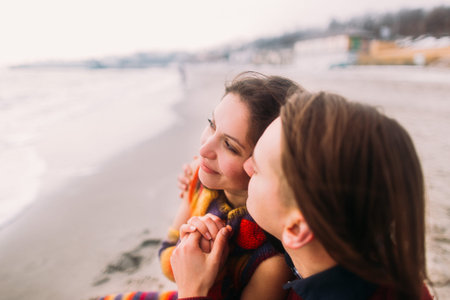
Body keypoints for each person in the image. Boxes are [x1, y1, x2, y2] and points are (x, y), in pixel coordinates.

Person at [171, 91, 433, 300]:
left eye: (258, 169)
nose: (247, 168)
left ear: (296, 228)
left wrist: (194, 291)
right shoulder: (371, 257)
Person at [98, 72, 303, 300]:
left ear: (265, 161)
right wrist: (189, 244)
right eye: (211, 124)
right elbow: (167, 258)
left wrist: (210, 269)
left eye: (230, 146)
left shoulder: (272, 259)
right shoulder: (200, 177)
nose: (205, 148)